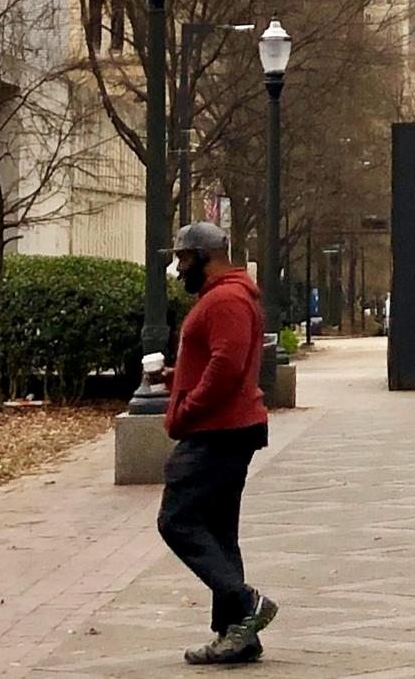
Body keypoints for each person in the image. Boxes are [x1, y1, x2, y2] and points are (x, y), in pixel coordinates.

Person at [157, 222, 278, 665]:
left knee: (178, 520)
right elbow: (219, 359)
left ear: (205, 257)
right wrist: (176, 380)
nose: (178, 268)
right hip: (228, 427)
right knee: (219, 531)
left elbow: (226, 366)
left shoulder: (225, 298)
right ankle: (237, 635)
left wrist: (187, 408)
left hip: (217, 430)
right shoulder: (229, 296)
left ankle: (246, 604)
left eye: (183, 259)